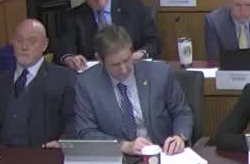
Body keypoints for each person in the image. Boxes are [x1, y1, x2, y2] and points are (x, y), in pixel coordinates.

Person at [73, 25, 193, 155]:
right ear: (100, 60)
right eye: (115, 65)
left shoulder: (159, 73)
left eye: (126, 60)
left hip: (163, 153)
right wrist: (123, 146)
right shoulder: (87, 84)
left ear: (132, 51)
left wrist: (179, 137)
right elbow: (86, 132)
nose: (124, 69)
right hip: (119, 158)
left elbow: (182, 112)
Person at [0, 19, 75, 149]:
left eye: (32, 41)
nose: (24, 47)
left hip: (42, 153)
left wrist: (63, 142)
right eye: (19, 40)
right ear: (12, 42)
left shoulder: (64, 78)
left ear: (45, 44)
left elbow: (74, 120)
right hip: (0, 154)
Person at [55, 0, 160, 71]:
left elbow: (154, 42)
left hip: (132, 68)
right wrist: (69, 59)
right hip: (95, 73)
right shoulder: (73, 17)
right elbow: (63, 50)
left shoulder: (132, 6)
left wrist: (138, 54)